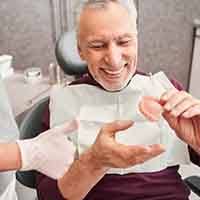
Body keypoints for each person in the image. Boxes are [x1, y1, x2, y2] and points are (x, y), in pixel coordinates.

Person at [35, 1, 200, 200]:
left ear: (136, 41)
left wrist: (198, 142)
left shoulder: (167, 90)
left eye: (123, 42)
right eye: (98, 45)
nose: (113, 60)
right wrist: (93, 163)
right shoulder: (63, 102)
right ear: (80, 50)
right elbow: (48, 196)